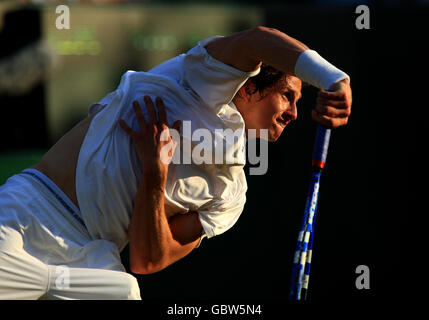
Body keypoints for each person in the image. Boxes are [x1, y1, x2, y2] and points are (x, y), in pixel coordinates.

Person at [0, 26, 352, 299]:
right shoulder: (200, 76)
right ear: (247, 88)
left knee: (125, 291)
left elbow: (147, 260)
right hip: (29, 215)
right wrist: (332, 78)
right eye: (287, 96)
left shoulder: (230, 195)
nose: (294, 113)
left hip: (92, 260)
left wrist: (155, 173)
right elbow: (259, 40)